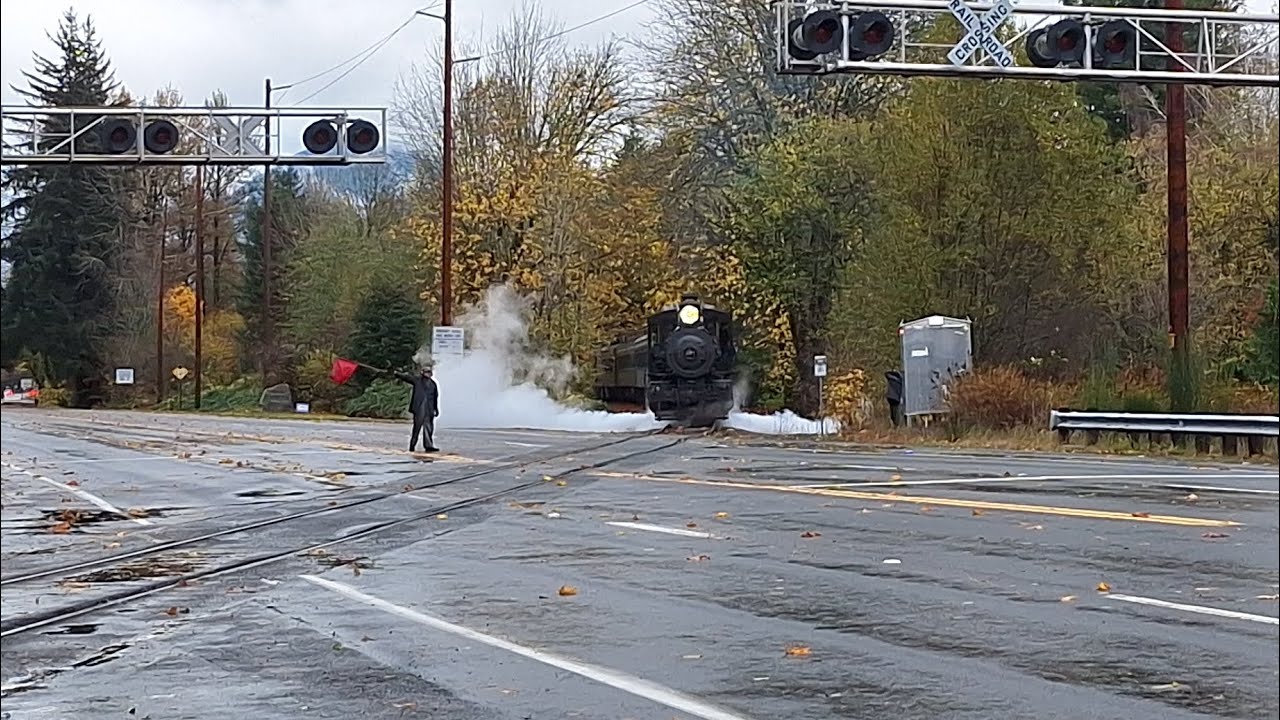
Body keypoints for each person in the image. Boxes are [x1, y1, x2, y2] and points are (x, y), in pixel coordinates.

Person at [391, 365, 440, 453]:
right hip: (419, 408)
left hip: (429, 409)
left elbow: (435, 398)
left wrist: (436, 409)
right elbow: (407, 377)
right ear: (422, 373)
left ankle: (428, 446)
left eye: (429, 372)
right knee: (416, 429)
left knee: (428, 428)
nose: (428, 374)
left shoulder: (433, 384)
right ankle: (412, 446)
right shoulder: (417, 380)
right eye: (426, 372)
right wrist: (397, 374)